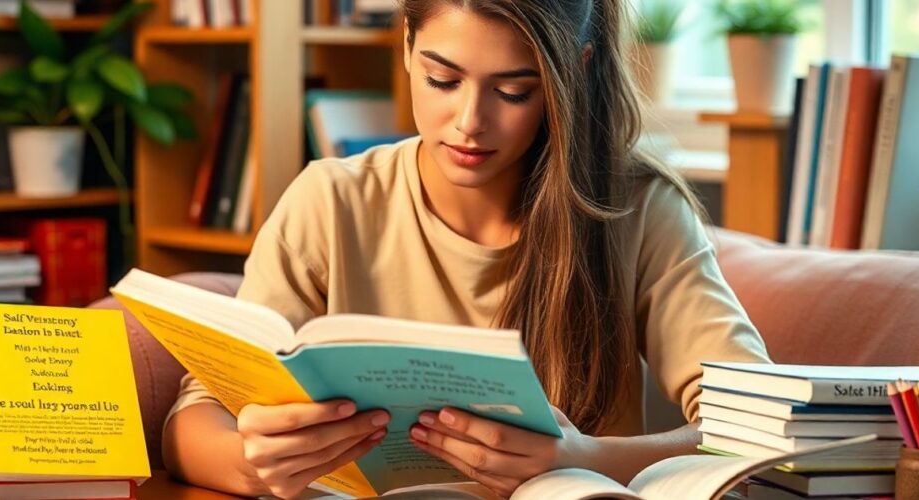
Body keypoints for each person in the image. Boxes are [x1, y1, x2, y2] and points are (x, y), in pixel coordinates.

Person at [162, 0, 771, 498]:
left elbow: (760, 422)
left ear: (573, 71)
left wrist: (587, 458)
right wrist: (255, 462)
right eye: (442, 80)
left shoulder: (639, 209)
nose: (469, 121)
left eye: (513, 91)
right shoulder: (331, 200)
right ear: (406, 46)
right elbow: (192, 420)